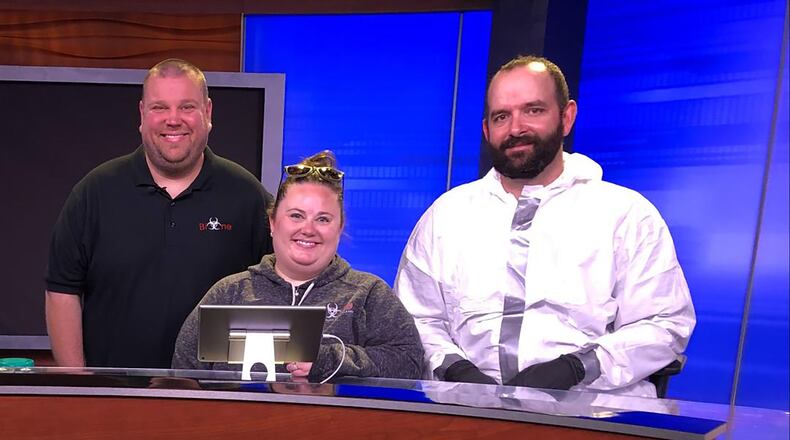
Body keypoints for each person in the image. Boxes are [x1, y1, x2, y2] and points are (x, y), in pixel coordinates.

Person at [394, 55, 695, 397]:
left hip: (592, 413)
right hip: (466, 413)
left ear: (567, 117)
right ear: (486, 129)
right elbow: (414, 319)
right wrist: (453, 368)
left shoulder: (625, 214)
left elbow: (664, 324)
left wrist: (578, 367)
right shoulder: (446, 216)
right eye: (501, 116)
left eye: (533, 110)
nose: (516, 128)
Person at [45, 58, 273, 368]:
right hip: (115, 397)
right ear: (142, 114)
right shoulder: (94, 192)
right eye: (160, 108)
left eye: (187, 107)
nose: (173, 119)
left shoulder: (247, 195)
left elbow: (283, 289)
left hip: (216, 400)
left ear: (208, 113)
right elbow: (62, 291)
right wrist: (80, 384)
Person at [172, 151, 424, 382]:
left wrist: (329, 359)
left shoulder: (369, 294)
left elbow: (409, 362)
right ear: (272, 223)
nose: (308, 229)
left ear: (340, 228)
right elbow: (183, 374)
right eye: (296, 215)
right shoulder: (228, 293)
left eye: (323, 219)